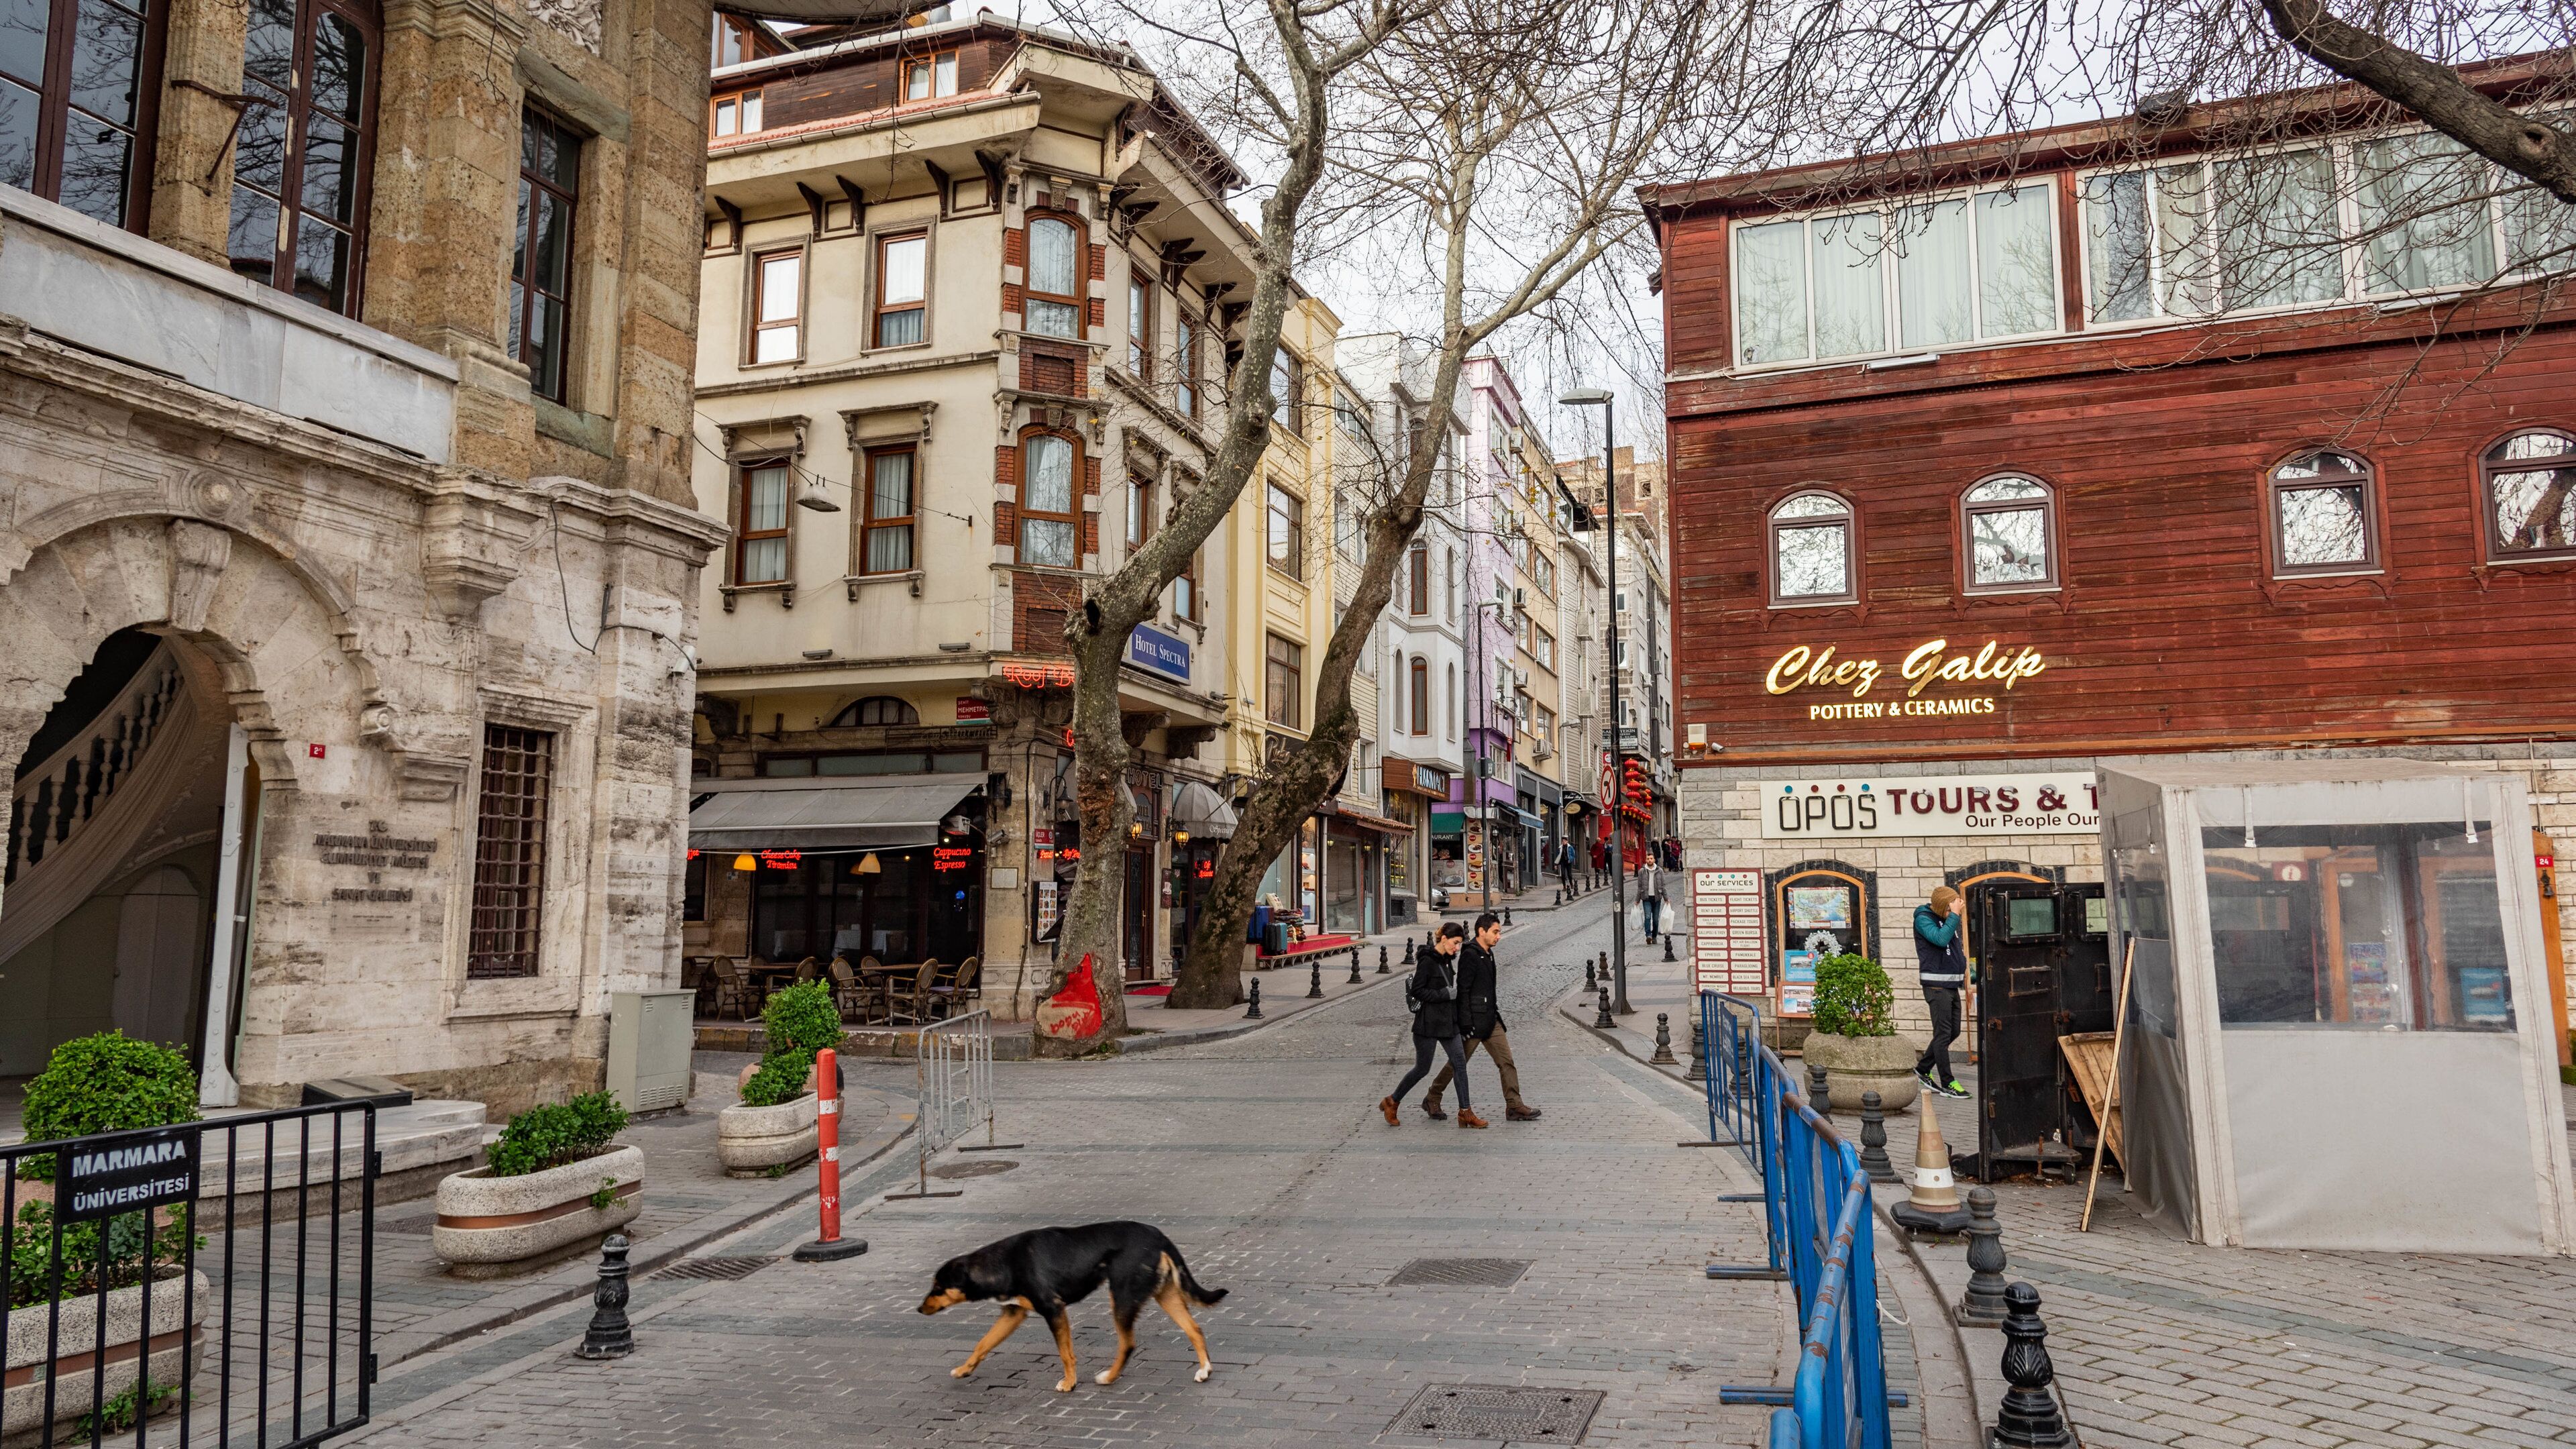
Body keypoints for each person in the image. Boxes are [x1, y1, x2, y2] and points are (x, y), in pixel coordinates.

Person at [1422, 912, 1542, 1122]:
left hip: (1490, 1020)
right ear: (1481, 931)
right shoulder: (1470, 955)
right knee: (1457, 1063)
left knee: (1506, 1062)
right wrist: (1465, 1022)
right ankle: (1433, 1096)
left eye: (1499, 932)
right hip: (1473, 1023)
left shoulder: (1488, 953)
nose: (1498, 936)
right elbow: (1464, 990)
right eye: (1495, 932)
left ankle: (1514, 1106)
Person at [1379, 923, 1487, 1129]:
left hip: (1448, 1023)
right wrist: (1443, 995)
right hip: (1427, 1024)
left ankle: (1466, 1112)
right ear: (1444, 939)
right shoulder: (1427, 961)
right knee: (1422, 1068)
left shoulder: (1448, 961)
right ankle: (1392, 1101)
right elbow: (1418, 991)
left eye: (1459, 945)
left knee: (1460, 1064)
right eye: (1455, 943)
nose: (1457, 948)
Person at [1914, 885, 1970, 1099]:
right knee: (1943, 1034)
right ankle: (1948, 1082)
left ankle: (1922, 1069)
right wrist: (1954, 915)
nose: (1953, 914)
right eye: (1949, 910)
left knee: (1952, 1031)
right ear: (1941, 907)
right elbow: (1940, 939)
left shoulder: (1946, 919)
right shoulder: (1923, 918)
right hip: (1936, 986)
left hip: (1950, 984)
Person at [1636, 857, 1664, 942]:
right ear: (1646, 860)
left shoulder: (1660, 871)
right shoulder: (1642, 871)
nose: (1650, 860)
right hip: (1646, 898)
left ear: (1654, 860)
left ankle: (1654, 936)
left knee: (1655, 919)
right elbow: (1640, 886)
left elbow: (1663, 885)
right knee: (1647, 917)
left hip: (1657, 898)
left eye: (1651, 859)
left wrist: (1666, 898)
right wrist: (1637, 900)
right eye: (1648, 859)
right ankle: (1648, 935)